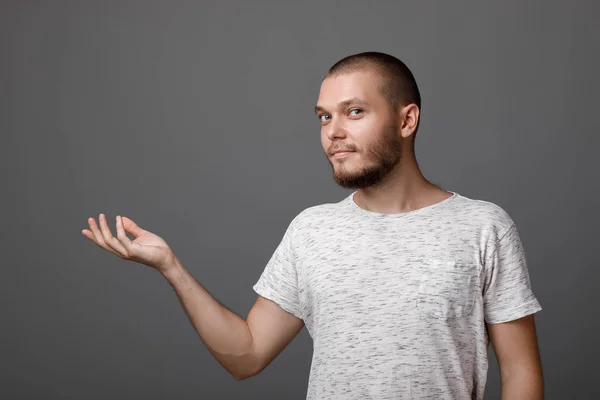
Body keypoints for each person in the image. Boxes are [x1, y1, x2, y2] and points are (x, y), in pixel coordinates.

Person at [81, 51, 543, 399]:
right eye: (324, 117)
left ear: (407, 120)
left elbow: (521, 374)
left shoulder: (483, 227)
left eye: (354, 112)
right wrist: (171, 268)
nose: (333, 131)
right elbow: (246, 356)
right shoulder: (312, 230)